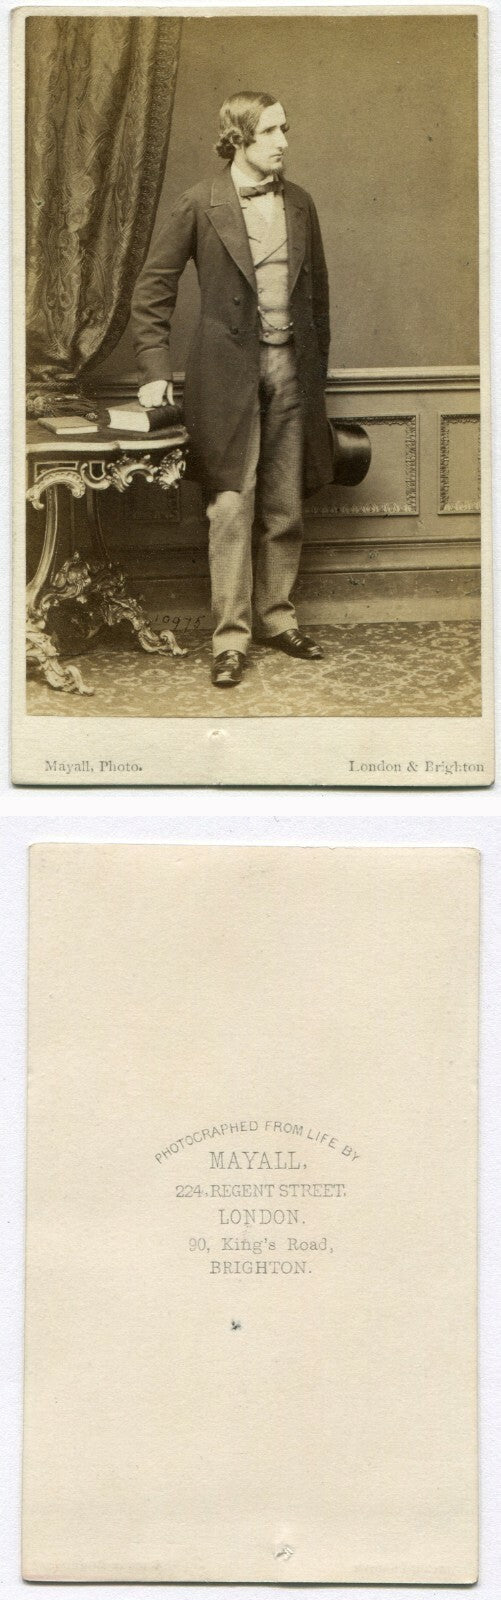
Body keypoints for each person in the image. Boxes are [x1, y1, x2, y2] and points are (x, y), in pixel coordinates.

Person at [131, 90, 333, 687]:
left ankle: (276, 617)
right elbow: (152, 291)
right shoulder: (200, 201)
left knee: (284, 504)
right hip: (224, 380)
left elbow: (320, 299)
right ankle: (230, 638)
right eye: (271, 131)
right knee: (228, 507)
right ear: (239, 138)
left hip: (292, 371)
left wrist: (315, 374)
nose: (283, 142)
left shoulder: (300, 203)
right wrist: (153, 373)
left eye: (285, 129)